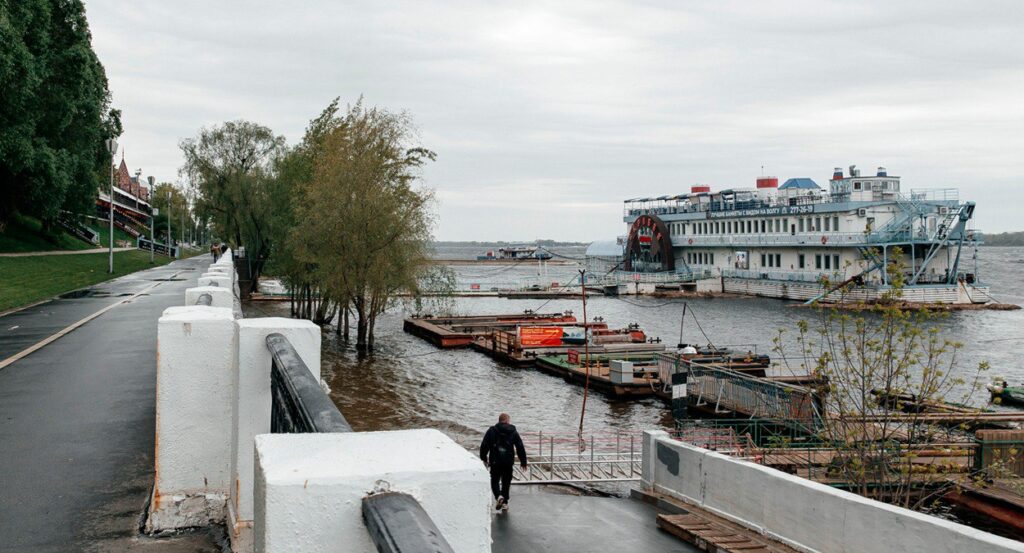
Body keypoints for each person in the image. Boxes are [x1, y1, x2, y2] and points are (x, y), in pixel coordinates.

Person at [479, 413, 527, 512]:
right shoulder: (513, 432)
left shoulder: (491, 431)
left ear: (499, 420)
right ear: (507, 421)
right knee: (506, 482)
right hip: (508, 462)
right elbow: (520, 446)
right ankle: (505, 503)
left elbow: (484, 445)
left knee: (495, 480)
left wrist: (484, 457)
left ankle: (499, 496)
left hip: (495, 461)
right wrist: (523, 461)